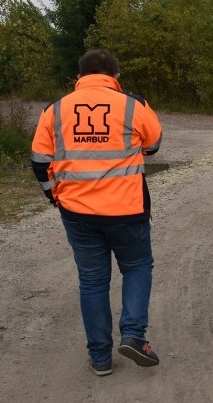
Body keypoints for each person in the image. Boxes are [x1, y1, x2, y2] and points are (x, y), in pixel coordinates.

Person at [31, 49, 163, 376]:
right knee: (136, 267)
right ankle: (133, 334)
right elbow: (155, 143)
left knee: (92, 281)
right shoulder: (134, 105)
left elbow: (39, 161)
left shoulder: (55, 110)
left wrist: (54, 196)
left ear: (78, 77)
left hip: (77, 212)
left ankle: (101, 358)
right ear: (116, 77)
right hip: (127, 209)